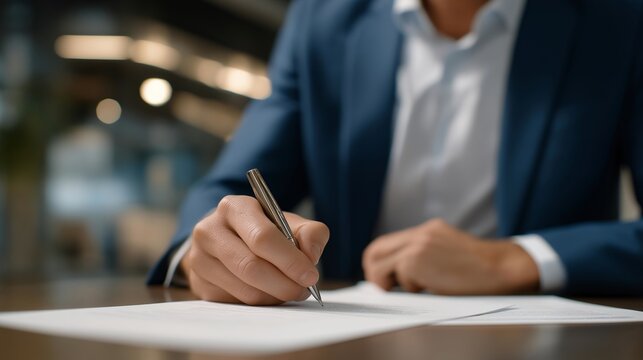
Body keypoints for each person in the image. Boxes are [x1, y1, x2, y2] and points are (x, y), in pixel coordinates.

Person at [147, 0, 643, 304]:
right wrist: (203, 253)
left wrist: (516, 261)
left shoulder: (621, 20)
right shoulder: (323, 18)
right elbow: (230, 190)